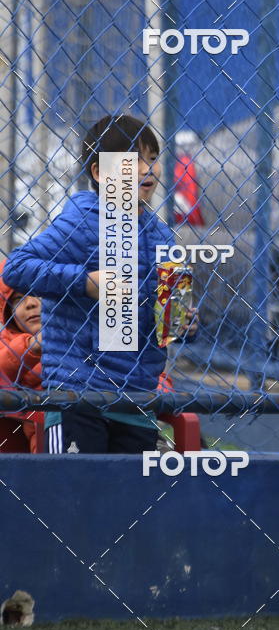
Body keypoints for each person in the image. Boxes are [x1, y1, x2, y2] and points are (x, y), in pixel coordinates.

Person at [4, 113, 197, 454]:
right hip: (77, 394)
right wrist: (85, 282)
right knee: (74, 495)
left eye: (151, 159)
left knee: (131, 498)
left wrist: (182, 322)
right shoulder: (82, 221)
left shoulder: (161, 235)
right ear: (99, 173)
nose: (145, 169)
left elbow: (166, 316)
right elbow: (17, 268)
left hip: (135, 395)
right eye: (131, 161)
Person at [0, 260, 43, 452]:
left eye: (39, 293)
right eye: (18, 299)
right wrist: (31, 347)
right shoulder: (6, 342)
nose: (31, 303)